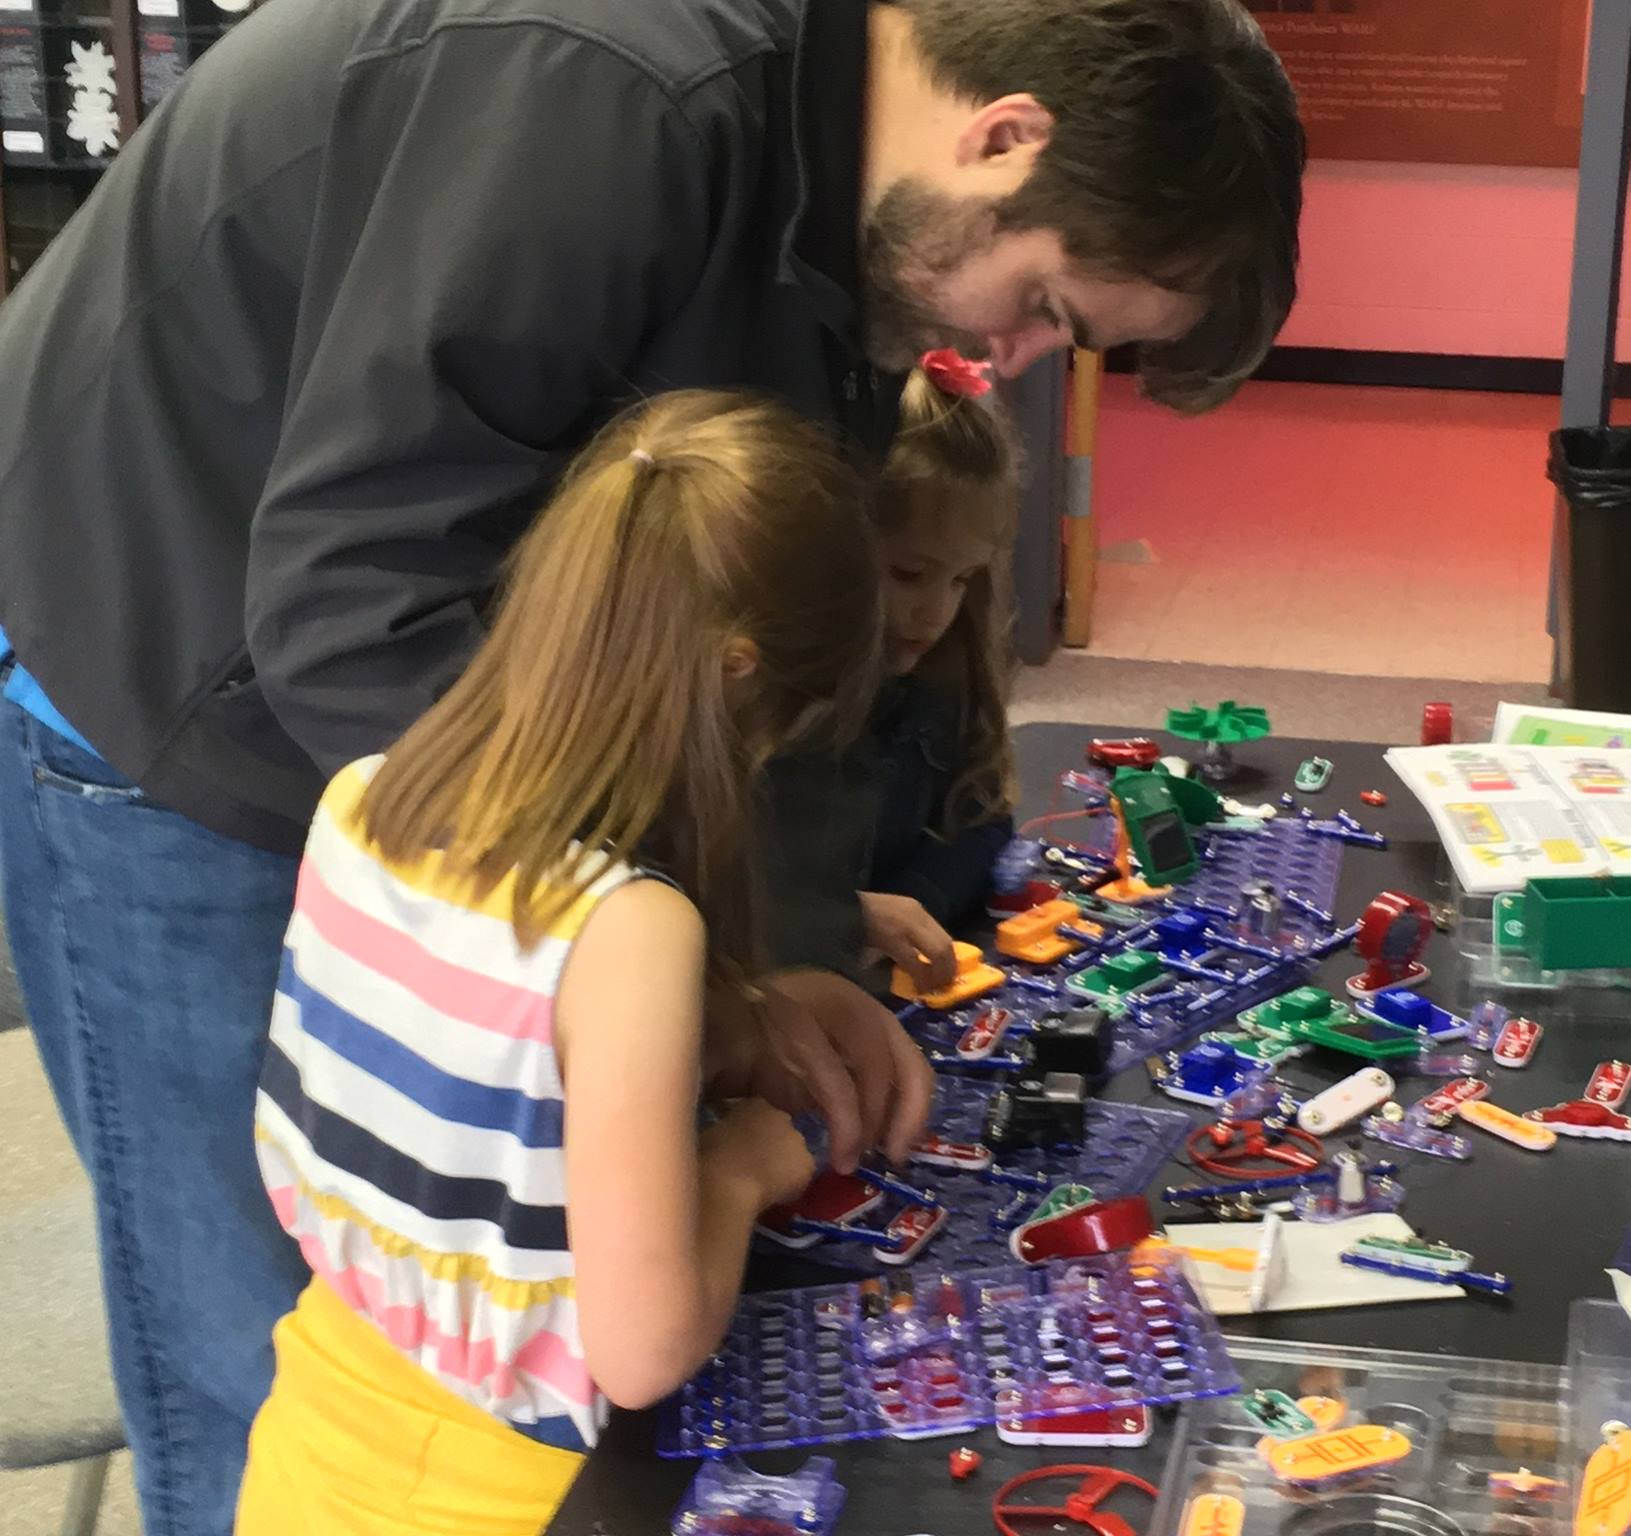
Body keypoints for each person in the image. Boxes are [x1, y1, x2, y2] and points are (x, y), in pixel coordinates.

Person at [0, 0, 1303, 1523]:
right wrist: (663, 976)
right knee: (273, 1342)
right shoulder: (602, 89)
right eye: (1044, 312)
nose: (1003, 361)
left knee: (465, 1291)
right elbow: (360, 610)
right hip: (179, 657)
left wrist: (782, 959)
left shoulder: (858, 218)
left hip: (395, 693)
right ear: (1003, 137)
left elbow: (786, 632)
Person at [234, 390, 877, 1534]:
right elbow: (637, 1353)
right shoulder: (625, 930)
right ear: (737, 674)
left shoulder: (366, 800)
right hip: (510, 1501)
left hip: (309, 1454)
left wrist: (729, 1018)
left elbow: (470, 1079)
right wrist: (738, 1169)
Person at [856, 354, 1023, 985]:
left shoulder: (944, 674)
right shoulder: (775, 699)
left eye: (961, 579)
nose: (935, 612)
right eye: (907, 574)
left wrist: (917, 901)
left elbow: (983, 814)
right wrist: (842, 915)